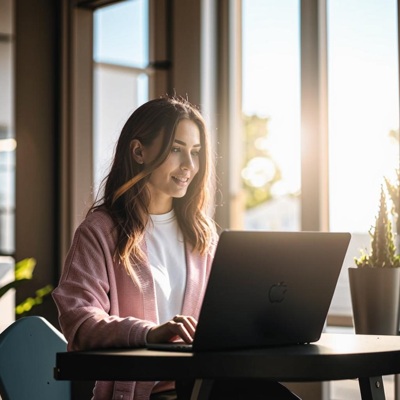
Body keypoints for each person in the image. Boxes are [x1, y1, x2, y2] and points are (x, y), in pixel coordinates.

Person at [52, 96, 300, 400]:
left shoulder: (202, 236)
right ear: (139, 151)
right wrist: (149, 333)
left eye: (195, 152)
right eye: (176, 149)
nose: (189, 166)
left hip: (204, 388)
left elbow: (223, 320)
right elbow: (80, 321)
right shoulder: (100, 232)